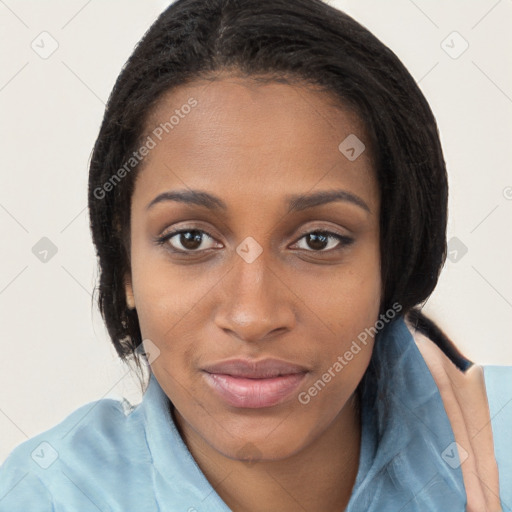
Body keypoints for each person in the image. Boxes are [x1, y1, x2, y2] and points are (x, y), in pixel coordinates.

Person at [0, 0, 510, 510]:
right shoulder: (40, 496)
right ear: (125, 263)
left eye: (318, 240)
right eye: (191, 239)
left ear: (393, 259)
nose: (253, 316)